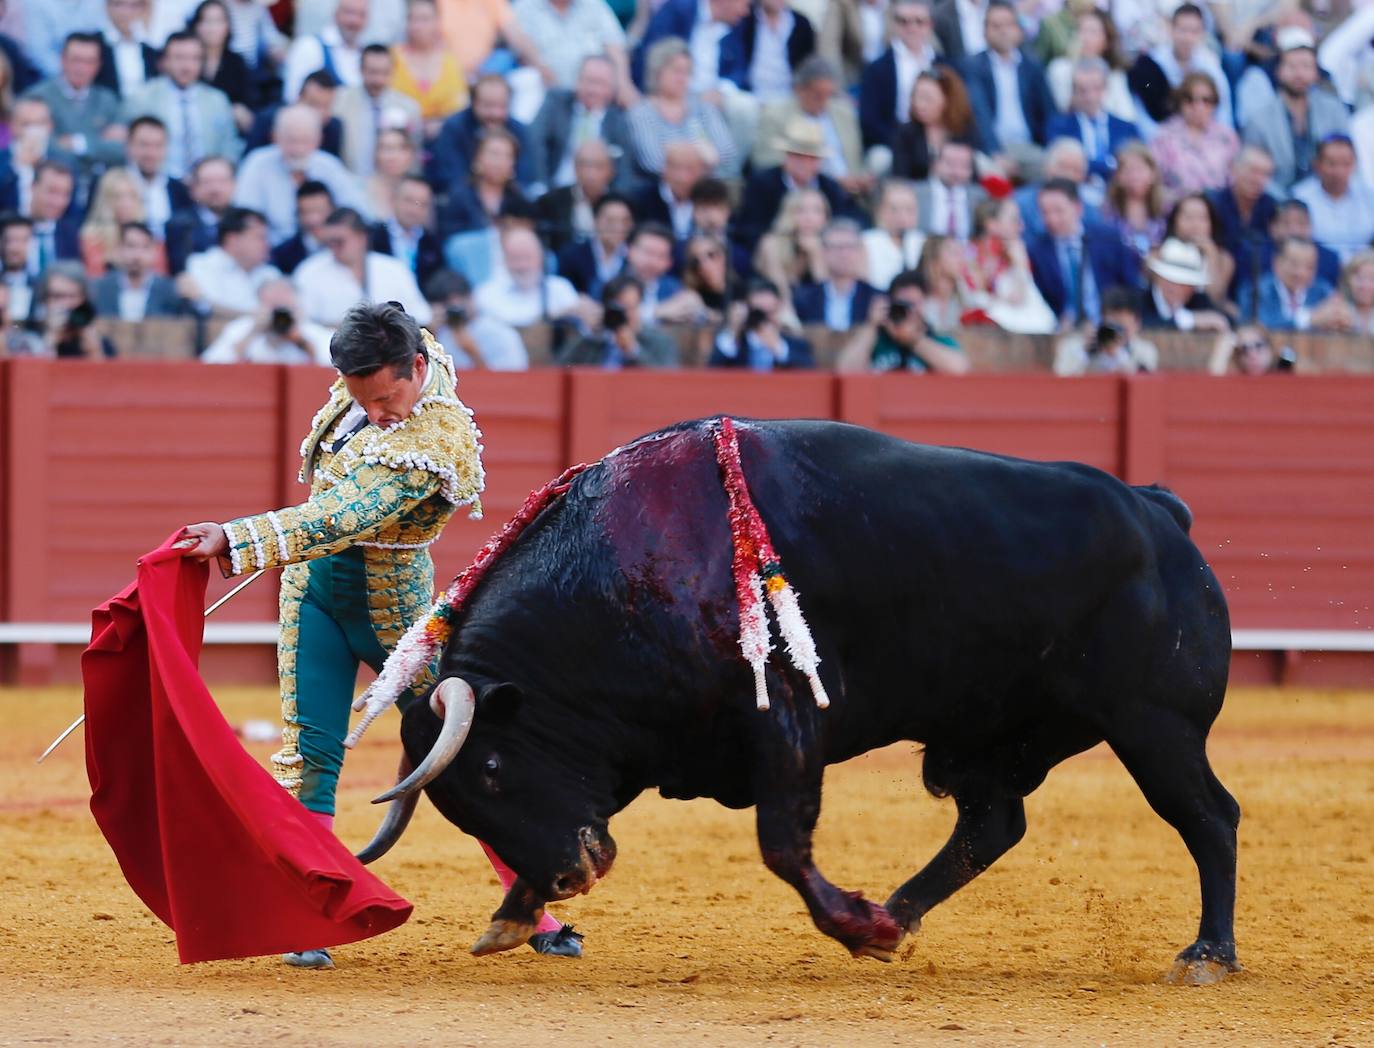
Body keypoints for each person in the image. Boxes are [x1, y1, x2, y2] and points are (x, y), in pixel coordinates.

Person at [176, 301, 583, 968]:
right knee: (309, 753)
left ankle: (530, 904)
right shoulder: (382, 364)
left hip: (396, 619)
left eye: (388, 396)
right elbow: (330, 503)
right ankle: (308, 909)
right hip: (313, 598)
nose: (376, 411)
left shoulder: (437, 440)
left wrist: (237, 537)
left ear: (417, 369)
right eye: (363, 398)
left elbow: (339, 516)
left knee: (458, 752)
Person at [233, 105, 368, 246]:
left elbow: (357, 211)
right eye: (291, 140)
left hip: (326, 249)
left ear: (319, 140)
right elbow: (245, 216)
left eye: (305, 140)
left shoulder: (329, 166)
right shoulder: (257, 164)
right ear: (275, 137)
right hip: (272, 252)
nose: (298, 149)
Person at [120, 30, 238, 181]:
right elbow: (130, 148)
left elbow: (229, 147)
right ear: (164, 61)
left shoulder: (217, 100)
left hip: (207, 184)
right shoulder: (142, 97)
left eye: (195, 59)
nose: (187, 66)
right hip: (158, 183)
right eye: (179, 58)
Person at [1241, 29, 1348, 191]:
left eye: (1306, 67)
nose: (1299, 74)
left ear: (1316, 73)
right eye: (1292, 66)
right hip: (1277, 202)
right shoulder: (1259, 119)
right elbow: (1255, 172)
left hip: (1326, 196)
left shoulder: (1334, 110)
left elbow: (1346, 159)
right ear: (1279, 71)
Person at [1028, 176, 1140, 329]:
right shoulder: (1038, 250)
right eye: (1045, 212)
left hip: (1109, 325)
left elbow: (1130, 285)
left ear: (1077, 208)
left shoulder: (1108, 238)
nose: (1051, 219)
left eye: (1058, 211)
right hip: (1063, 330)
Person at [737, 116, 861, 251]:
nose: (805, 163)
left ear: (819, 161)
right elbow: (749, 229)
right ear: (787, 156)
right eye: (799, 156)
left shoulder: (830, 187)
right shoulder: (762, 184)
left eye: (812, 158)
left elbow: (843, 222)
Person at [294, 206, 432, 327]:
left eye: (339, 241)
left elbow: (421, 317)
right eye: (329, 242)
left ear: (361, 237)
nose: (333, 247)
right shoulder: (309, 272)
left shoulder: (394, 269)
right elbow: (303, 324)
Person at [23, 31, 125, 188]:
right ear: (62, 60)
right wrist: (99, 143)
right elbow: (41, 147)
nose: (81, 68)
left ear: (98, 65)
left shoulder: (108, 100)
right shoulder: (37, 97)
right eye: (76, 60)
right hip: (52, 186)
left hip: (99, 186)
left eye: (89, 61)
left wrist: (79, 143)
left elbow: (122, 150)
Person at [960, 0, 1058, 164]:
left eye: (1008, 25)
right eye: (996, 26)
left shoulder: (1032, 67)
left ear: (1018, 30)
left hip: (1030, 147)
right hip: (991, 150)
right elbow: (979, 115)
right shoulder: (973, 67)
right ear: (984, 32)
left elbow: (1049, 112)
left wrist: (1051, 148)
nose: (1003, 31)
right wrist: (995, 152)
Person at [626, 38, 737, 181]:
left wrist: (670, 150)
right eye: (676, 71)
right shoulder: (641, 112)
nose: (682, 78)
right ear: (657, 72)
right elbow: (652, 161)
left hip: (704, 187)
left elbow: (727, 152)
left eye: (687, 72)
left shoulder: (703, 107)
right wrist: (703, 150)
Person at [754, 57, 864, 198]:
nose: (824, 101)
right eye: (818, 95)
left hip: (850, 190)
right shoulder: (775, 115)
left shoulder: (844, 114)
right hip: (801, 192)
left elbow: (857, 157)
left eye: (829, 94)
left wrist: (859, 178)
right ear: (799, 90)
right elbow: (766, 161)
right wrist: (829, 180)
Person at [526, 54, 634, 197]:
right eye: (589, 81)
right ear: (577, 81)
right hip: (554, 190)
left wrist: (613, 201)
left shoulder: (619, 121)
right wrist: (542, 185)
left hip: (598, 199)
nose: (593, 90)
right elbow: (534, 142)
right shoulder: (556, 102)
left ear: (612, 89)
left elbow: (625, 171)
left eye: (601, 83)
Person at [835, 267, 969, 373]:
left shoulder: (936, 339)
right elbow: (846, 370)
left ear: (925, 305)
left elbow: (959, 369)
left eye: (914, 304)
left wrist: (914, 340)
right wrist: (871, 325)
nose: (909, 312)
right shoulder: (876, 340)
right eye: (903, 305)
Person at [1127, 3, 1232, 137]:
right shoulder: (1151, 65)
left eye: (1194, 31)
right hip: (1162, 137)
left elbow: (1222, 111)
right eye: (1183, 30)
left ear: (1203, 34)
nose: (1187, 38)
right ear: (1171, 29)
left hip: (1203, 137)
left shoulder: (1209, 65)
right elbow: (1142, 113)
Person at [960, 194, 1054, 333]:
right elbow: (973, 296)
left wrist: (1019, 264)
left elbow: (1019, 297)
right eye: (1014, 220)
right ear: (992, 224)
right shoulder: (968, 253)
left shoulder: (1015, 252)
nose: (1021, 226)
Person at [427, 74, 533, 191]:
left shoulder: (519, 130)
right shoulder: (454, 128)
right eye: (488, 105)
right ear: (473, 102)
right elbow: (452, 177)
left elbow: (525, 178)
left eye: (502, 106)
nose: (495, 113)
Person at [859, 0, 941, 151]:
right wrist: (902, 144)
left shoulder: (943, 65)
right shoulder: (877, 69)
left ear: (930, 25)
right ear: (894, 24)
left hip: (938, 143)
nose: (912, 27)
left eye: (919, 21)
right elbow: (870, 122)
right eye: (903, 21)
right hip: (891, 144)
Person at [1044, 57, 1141, 184]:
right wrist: (1110, 165)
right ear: (1074, 91)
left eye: (1096, 88)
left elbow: (1135, 162)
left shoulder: (1126, 128)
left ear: (1106, 88)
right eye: (1082, 90)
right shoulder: (1058, 126)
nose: (1090, 97)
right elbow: (1063, 164)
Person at [1149, 72, 1239, 204]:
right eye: (1190, 99)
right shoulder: (1164, 136)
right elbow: (1154, 183)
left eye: (1206, 100)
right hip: (1177, 211)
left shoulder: (1227, 137)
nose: (1198, 106)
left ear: (1215, 104)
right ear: (1180, 101)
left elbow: (1235, 183)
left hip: (1217, 212)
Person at [510, 0, 632, 98]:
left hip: (593, 86)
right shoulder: (525, 6)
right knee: (527, 80)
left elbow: (614, 44)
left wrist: (622, 81)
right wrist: (542, 69)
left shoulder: (594, 4)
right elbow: (519, 47)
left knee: (630, 99)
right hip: (544, 85)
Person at [335, 44, 422, 178]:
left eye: (384, 73)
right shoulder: (340, 102)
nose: (378, 80)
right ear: (361, 70)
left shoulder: (409, 108)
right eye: (373, 72)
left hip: (394, 188)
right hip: (352, 182)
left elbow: (414, 158)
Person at [199, 277, 333, 363]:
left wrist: (301, 341)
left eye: (285, 308)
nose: (279, 316)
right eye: (273, 306)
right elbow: (212, 365)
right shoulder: (243, 328)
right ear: (260, 305)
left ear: (297, 306)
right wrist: (252, 333)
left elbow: (336, 370)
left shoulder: (313, 332)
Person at [178, 206, 281, 315]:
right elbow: (207, 309)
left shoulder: (270, 273)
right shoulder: (202, 265)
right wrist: (258, 317)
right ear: (232, 239)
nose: (267, 245)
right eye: (260, 238)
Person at [559, 272, 678, 366]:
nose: (624, 315)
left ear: (640, 307)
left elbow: (665, 382)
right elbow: (561, 368)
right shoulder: (594, 340)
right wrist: (588, 335)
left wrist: (633, 351)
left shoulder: (659, 341)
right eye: (617, 309)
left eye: (629, 308)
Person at [473, 224, 581, 327]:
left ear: (541, 258)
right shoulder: (486, 294)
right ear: (504, 260)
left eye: (527, 258)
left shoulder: (560, 288)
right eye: (515, 258)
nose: (522, 265)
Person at [389, 0, 468, 140]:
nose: (417, 26)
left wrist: (441, 124)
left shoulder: (450, 62)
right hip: (399, 137)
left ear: (437, 22)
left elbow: (459, 109)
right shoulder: (392, 57)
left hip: (442, 138)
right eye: (412, 19)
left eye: (424, 19)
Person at [423, 267, 528, 369]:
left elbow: (515, 378)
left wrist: (472, 351)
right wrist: (430, 334)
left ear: (471, 298)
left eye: (459, 300)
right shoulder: (433, 334)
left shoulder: (499, 333)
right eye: (446, 303)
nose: (454, 308)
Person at [1291, 134, 1374, 263]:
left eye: (1346, 164)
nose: (1339, 171)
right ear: (1317, 164)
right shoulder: (1300, 197)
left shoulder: (1369, 197)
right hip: (1316, 269)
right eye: (1332, 164)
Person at [1045, 7, 1134, 121]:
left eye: (1093, 32)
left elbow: (1127, 115)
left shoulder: (1114, 74)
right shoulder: (1059, 69)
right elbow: (1061, 112)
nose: (1085, 38)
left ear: (1107, 41)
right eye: (1081, 30)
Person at [791, 218, 879, 331]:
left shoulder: (876, 298)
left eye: (849, 247)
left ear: (860, 252)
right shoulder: (803, 298)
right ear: (823, 252)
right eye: (836, 247)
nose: (844, 254)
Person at [708, 275, 814, 369]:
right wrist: (733, 331)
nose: (764, 320)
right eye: (758, 313)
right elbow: (713, 372)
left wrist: (779, 348)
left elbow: (811, 375)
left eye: (770, 312)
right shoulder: (735, 343)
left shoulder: (795, 345)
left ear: (779, 309)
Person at [891, 66, 975, 182]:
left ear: (947, 99)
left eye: (927, 98)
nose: (919, 104)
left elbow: (973, 176)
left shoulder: (964, 130)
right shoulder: (906, 133)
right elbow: (900, 178)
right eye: (915, 96)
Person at [752, 187, 830, 312]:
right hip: (778, 312)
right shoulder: (771, 243)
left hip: (816, 316)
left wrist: (815, 255)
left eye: (817, 211)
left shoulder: (832, 247)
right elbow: (781, 294)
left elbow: (829, 297)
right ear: (789, 214)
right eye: (801, 210)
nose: (809, 218)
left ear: (825, 218)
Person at [1053, 283, 1159, 375]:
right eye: (1112, 325)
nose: (1117, 332)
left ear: (1136, 323)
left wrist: (1118, 355)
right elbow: (1061, 381)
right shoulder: (1074, 347)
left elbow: (1144, 384)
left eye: (1121, 327)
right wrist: (1084, 352)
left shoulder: (1145, 351)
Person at [439, 127, 526, 236]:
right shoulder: (460, 196)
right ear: (477, 158)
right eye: (495, 154)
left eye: (507, 156)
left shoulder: (519, 198)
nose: (500, 162)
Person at [535, 139, 618, 253]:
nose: (591, 173)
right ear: (575, 168)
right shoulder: (550, 201)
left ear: (611, 171)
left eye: (598, 166)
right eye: (585, 165)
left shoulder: (621, 204)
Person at [1237, 235, 1332, 332]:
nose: (1301, 273)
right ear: (1276, 262)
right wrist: (1307, 319)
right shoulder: (1254, 290)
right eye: (1294, 264)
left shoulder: (1323, 291)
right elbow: (1261, 327)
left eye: (1309, 266)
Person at [88, 218, 179, 317]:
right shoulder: (100, 288)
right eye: (131, 246)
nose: (137, 255)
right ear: (120, 249)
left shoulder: (170, 290)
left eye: (145, 247)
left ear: (154, 252)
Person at [79, 166, 162, 275]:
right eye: (118, 197)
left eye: (131, 196)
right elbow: (94, 280)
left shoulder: (153, 239)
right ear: (106, 201)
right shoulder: (92, 240)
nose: (126, 204)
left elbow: (161, 279)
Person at [187, 0, 253, 133]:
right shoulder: (187, 59)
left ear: (228, 26)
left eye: (218, 21)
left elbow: (247, 107)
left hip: (228, 131)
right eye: (206, 21)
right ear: (196, 26)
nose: (212, 28)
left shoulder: (237, 63)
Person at [1140, 236, 1231, 332]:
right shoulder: (1141, 301)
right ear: (1159, 278)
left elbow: (1226, 321)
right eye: (1172, 280)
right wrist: (1190, 320)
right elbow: (1143, 325)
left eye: (1186, 284)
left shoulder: (1198, 301)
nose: (1178, 289)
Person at [282, 0, 368, 101]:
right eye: (349, 12)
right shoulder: (309, 46)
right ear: (335, 14)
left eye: (361, 15)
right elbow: (292, 97)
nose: (354, 21)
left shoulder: (367, 54)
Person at [1162, 193, 1234, 313]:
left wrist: (1211, 254)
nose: (1195, 224)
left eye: (1202, 218)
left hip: (1207, 316)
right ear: (1175, 221)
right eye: (1188, 217)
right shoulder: (1159, 252)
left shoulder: (1224, 259)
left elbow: (1215, 297)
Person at [28, 258, 115, 357]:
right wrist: (49, 342)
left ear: (84, 299)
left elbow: (106, 371)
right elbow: (34, 371)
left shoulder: (101, 344)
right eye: (58, 296)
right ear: (44, 300)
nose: (66, 304)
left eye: (72, 296)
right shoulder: (31, 342)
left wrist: (93, 349)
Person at [369, 173, 443, 288]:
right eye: (409, 201)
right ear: (393, 199)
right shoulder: (372, 236)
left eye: (422, 204)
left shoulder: (433, 244)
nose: (414, 210)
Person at [122, 115, 189, 239]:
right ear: (129, 146)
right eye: (144, 145)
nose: (151, 153)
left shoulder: (178, 189)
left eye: (158, 145)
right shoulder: (112, 184)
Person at [556, 190, 631, 297]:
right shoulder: (571, 255)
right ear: (596, 221)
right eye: (611, 221)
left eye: (625, 221)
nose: (619, 227)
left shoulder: (634, 257)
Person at [1100, 141, 1165, 262]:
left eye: (1140, 170)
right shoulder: (1107, 210)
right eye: (1128, 170)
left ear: (1153, 174)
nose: (1134, 176)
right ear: (1118, 177)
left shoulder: (1167, 208)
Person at [915, 139, 984, 241]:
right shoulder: (916, 193)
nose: (956, 171)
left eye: (964, 166)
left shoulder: (980, 196)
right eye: (950, 163)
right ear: (935, 164)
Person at [863, 178, 925, 291]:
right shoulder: (866, 242)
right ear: (879, 211)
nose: (902, 217)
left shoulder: (923, 242)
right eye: (894, 209)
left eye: (909, 210)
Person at [25, 159, 81, 268]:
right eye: (52, 192)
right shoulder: (7, 225)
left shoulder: (71, 235)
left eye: (66, 194)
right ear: (33, 187)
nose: (58, 202)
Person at [96, 0, 157, 100]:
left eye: (134, 6)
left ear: (143, 10)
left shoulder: (150, 52)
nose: (125, 12)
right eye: (118, 4)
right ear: (107, 7)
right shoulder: (95, 46)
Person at [362, 127, 420, 222]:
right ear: (376, 154)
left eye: (402, 148)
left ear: (411, 154)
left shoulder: (419, 194)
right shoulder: (362, 190)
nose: (393, 156)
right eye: (386, 148)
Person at [1311, 249, 1374, 336]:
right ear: (1348, 279)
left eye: (1372, 279)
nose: (1365, 285)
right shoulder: (1333, 308)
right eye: (1360, 278)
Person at [1207, 324, 1295, 375]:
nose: (1252, 355)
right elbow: (1214, 380)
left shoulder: (1284, 370)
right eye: (1244, 349)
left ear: (1270, 349)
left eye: (1258, 346)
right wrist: (1225, 345)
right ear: (1238, 358)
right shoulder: (1235, 382)